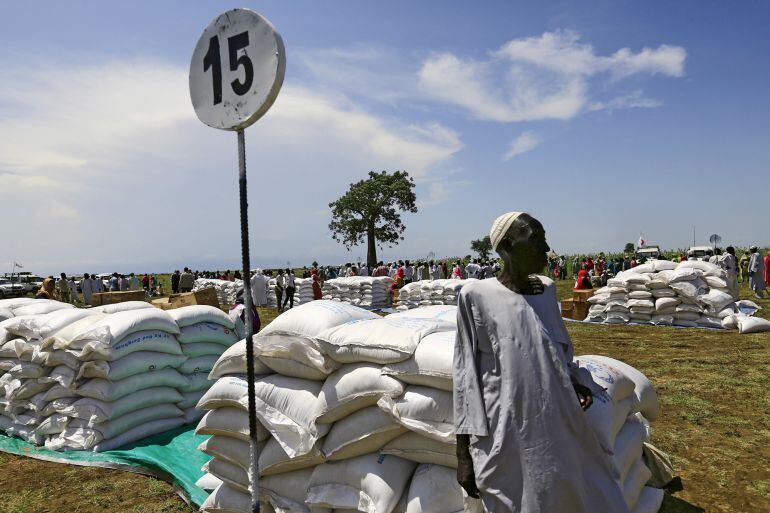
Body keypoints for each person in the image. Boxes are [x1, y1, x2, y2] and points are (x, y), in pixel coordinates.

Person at [453, 211, 628, 513]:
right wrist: (463, 454)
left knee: (575, 490)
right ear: (507, 245)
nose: (546, 250)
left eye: (545, 240)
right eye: (536, 241)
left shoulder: (546, 291)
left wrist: (573, 382)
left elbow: (557, 350)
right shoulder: (475, 295)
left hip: (557, 419)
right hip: (506, 428)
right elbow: (465, 373)